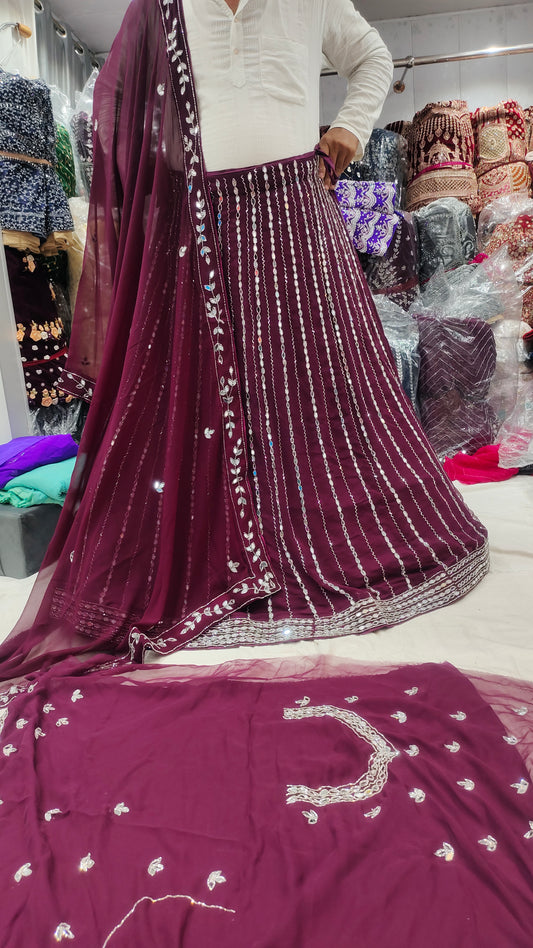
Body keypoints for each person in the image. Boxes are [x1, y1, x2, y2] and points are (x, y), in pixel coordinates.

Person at [0, 0, 489, 672]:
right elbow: (116, 99)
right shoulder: (168, 6)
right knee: (202, 390)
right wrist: (164, 167)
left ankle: (311, 526)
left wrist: (349, 128)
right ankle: (226, 532)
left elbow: (371, 57)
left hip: (295, 212)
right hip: (199, 223)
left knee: (314, 382)